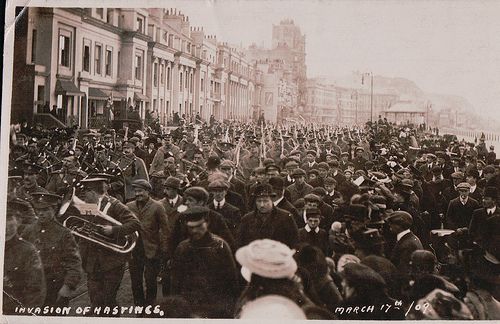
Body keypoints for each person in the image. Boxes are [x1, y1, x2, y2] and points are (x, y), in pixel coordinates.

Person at [75, 176, 141, 312]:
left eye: (85, 192)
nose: (83, 196)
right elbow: (85, 225)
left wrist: (113, 230)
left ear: (93, 192)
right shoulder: (90, 206)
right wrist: (82, 229)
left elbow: (135, 223)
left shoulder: (115, 205)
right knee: (95, 299)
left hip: (112, 262)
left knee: (108, 299)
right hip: (93, 263)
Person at [170, 206, 238, 318]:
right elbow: (176, 283)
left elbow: (231, 280)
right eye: (191, 227)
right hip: (190, 305)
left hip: (216, 305)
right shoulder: (183, 248)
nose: (195, 231)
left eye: (199, 226)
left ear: (207, 223)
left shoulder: (220, 246)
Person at [21, 192, 82, 307]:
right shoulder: (29, 231)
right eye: (38, 210)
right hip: (32, 287)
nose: (41, 213)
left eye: (45, 210)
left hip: (55, 287)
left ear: (54, 210)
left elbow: (74, 262)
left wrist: (68, 286)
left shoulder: (64, 233)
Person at [126, 179, 170, 307]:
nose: (137, 194)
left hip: (152, 249)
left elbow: (165, 229)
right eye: (135, 191)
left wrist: (163, 250)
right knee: (136, 282)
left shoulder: (157, 206)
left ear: (147, 191)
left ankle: (150, 308)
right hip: (134, 249)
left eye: (140, 191)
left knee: (151, 282)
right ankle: (139, 308)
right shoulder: (129, 206)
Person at [3, 203, 46, 314]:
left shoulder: (27, 250)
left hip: (15, 310)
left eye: (9, 218)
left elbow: (36, 290)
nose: (5, 224)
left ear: (18, 221)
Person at [238, 183, 299, 249]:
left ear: (272, 200)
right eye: (259, 201)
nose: (262, 205)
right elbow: (240, 244)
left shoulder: (285, 217)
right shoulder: (247, 219)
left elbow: (294, 243)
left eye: (265, 201)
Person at [386, 211, 423, 275]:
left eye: (392, 223)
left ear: (399, 226)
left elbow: (403, 271)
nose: (389, 225)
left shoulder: (407, 245)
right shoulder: (411, 238)